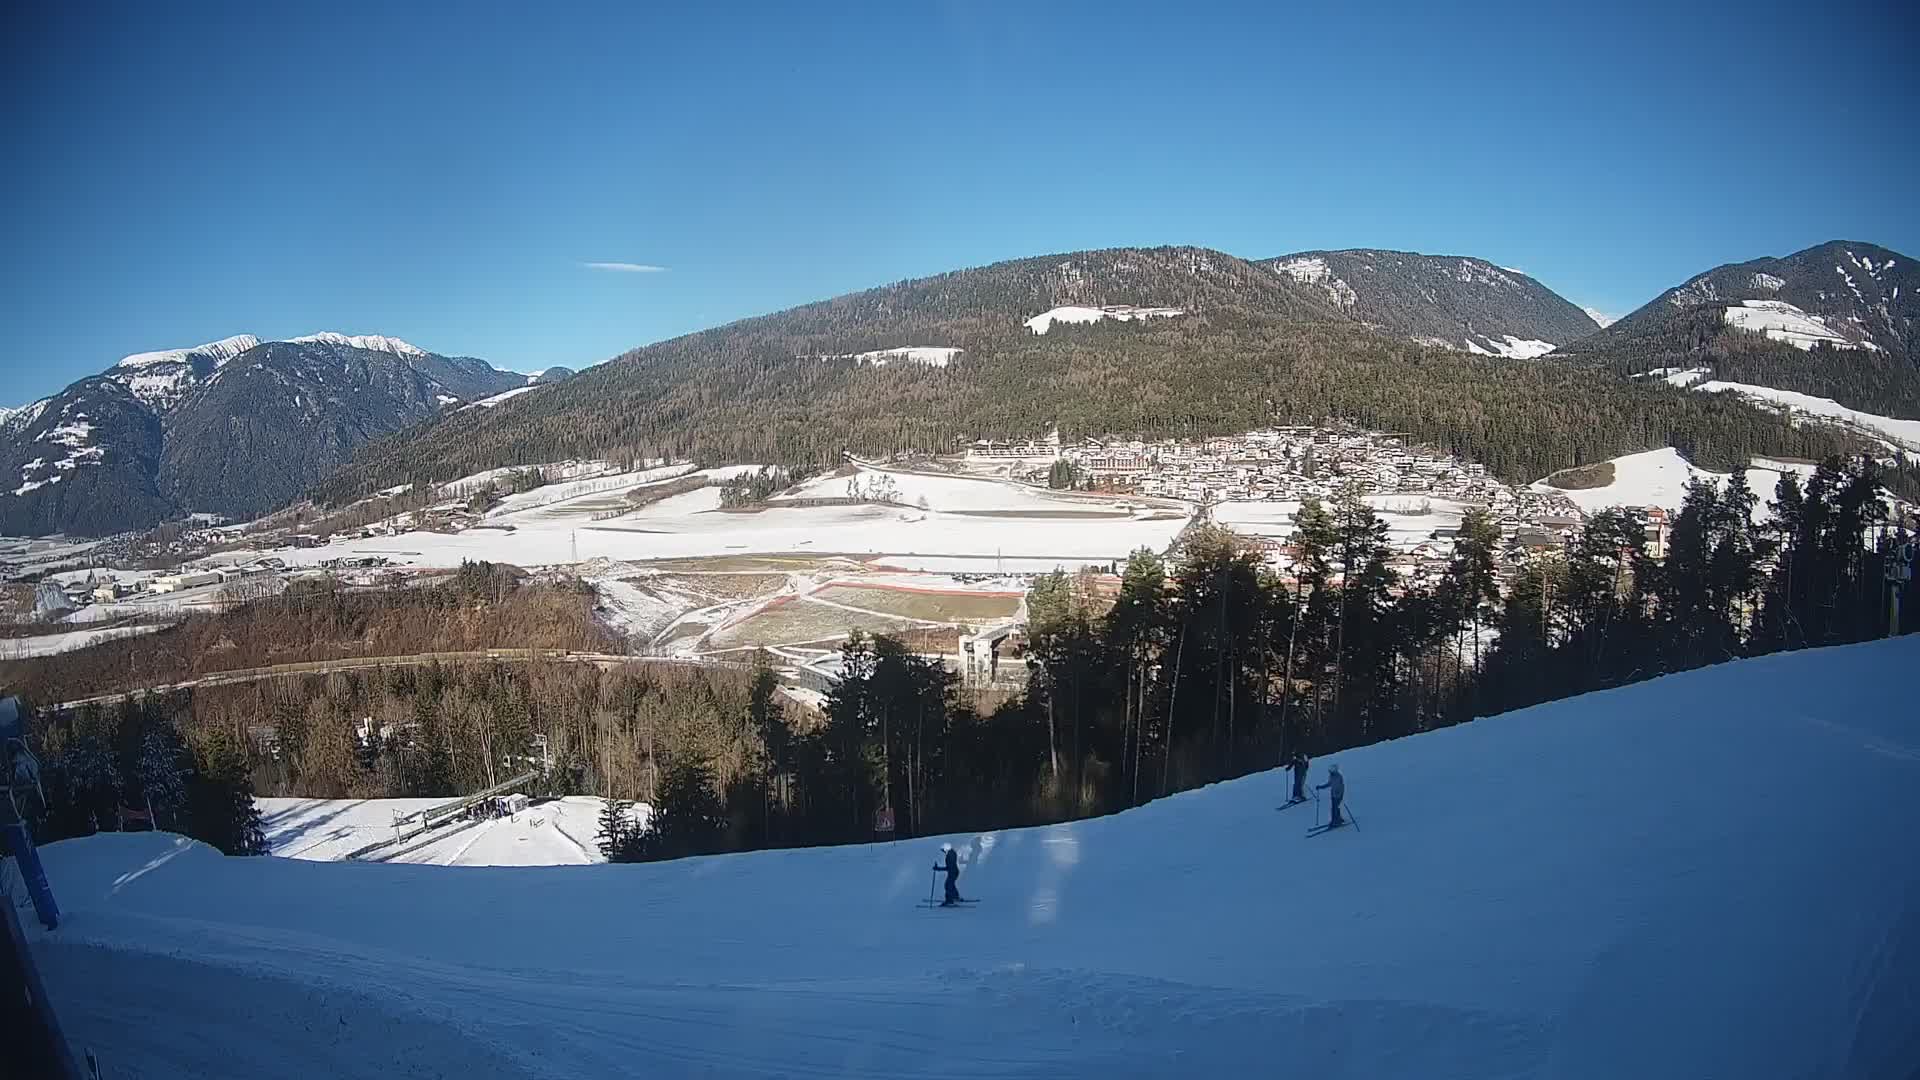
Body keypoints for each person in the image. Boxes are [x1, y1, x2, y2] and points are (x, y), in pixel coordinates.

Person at [1315, 763, 1345, 827]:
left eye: (1331, 771)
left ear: (1334, 770)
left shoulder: (1339, 776)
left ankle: (1336, 821)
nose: (1330, 772)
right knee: (1334, 807)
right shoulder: (1331, 776)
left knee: (1334, 808)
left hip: (1338, 795)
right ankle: (1338, 819)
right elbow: (1329, 784)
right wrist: (1320, 787)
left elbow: (1341, 786)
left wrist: (1339, 793)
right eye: (1330, 771)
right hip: (1333, 795)